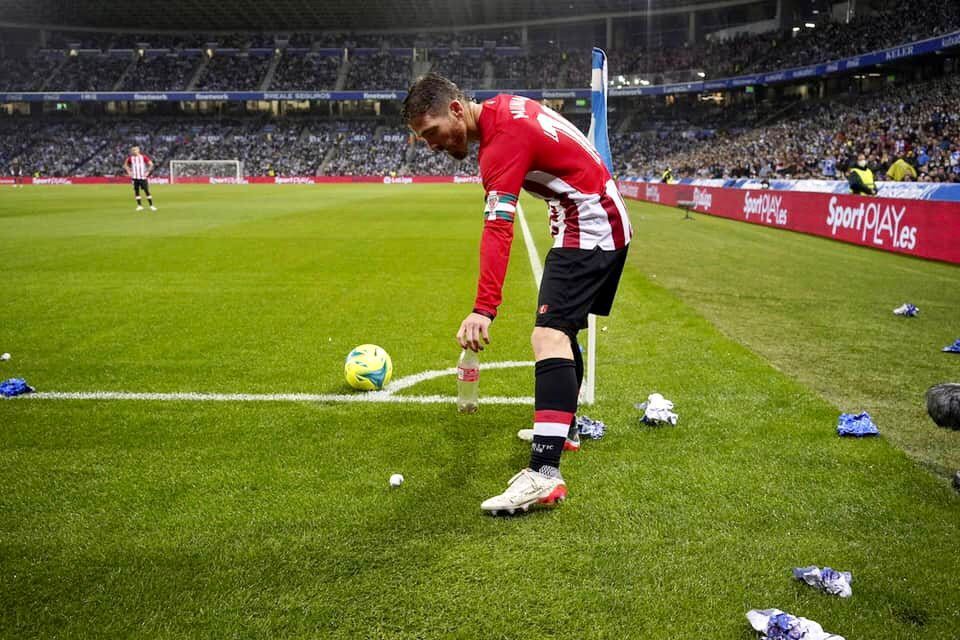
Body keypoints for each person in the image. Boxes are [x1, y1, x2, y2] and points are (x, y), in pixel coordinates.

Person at [401, 73, 632, 515]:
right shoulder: (506, 107)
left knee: (549, 336)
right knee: (562, 329)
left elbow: (497, 228)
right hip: (594, 214)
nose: (431, 145)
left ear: (455, 110)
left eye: (431, 132)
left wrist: (483, 309)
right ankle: (566, 431)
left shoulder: (500, 142)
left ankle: (544, 473)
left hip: (590, 224)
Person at [123, 146, 157, 211]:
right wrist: (129, 172)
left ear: (138, 150)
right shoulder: (130, 158)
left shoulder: (143, 157)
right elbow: (125, 165)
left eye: (134, 150)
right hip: (135, 178)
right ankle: (139, 206)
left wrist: (148, 172)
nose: (133, 151)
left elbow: (151, 164)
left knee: (146, 191)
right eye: (132, 150)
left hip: (142, 177)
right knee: (136, 191)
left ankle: (151, 205)